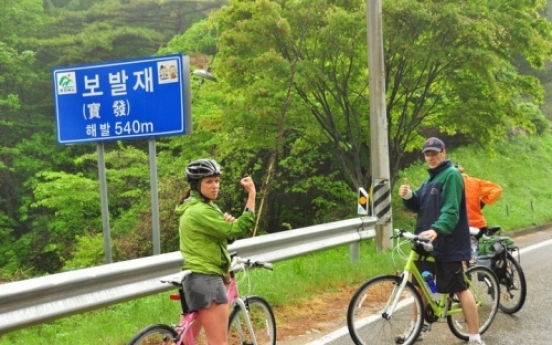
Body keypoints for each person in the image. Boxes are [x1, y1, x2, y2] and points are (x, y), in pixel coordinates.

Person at [397, 137, 486, 345]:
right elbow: (417, 204)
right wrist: (409, 195)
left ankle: (474, 336)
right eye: (427, 154)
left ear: (443, 152)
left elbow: (451, 210)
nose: (431, 157)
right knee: (420, 285)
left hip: (448, 243)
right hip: (426, 241)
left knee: (459, 287)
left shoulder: (452, 175)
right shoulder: (429, 180)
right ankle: (416, 327)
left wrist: (438, 229)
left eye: (434, 153)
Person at [175, 158, 256, 345]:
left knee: (185, 341)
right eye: (209, 181)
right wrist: (252, 194)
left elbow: (225, 236)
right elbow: (238, 229)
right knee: (218, 342)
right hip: (207, 279)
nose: (215, 186)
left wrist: (226, 228)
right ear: (197, 185)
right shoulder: (201, 210)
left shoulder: (200, 207)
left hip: (193, 278)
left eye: (217, 181)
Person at [456, 164, 502, 236]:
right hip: (478, 224)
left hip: (458, 225)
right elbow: (497, 189)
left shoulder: (447, 183)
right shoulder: (475, 182)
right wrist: (483, 202)